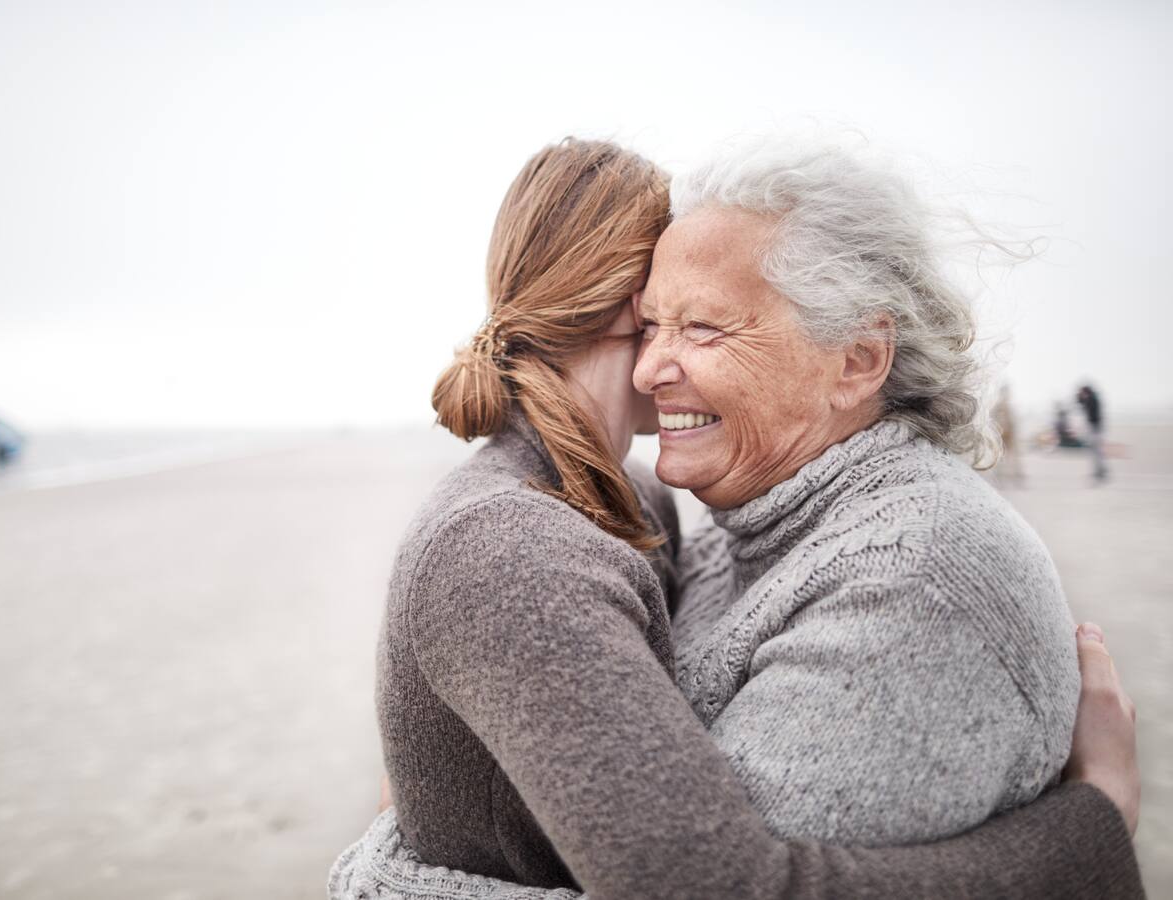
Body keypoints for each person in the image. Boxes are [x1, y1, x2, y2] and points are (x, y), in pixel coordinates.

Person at [332, 139, 1144, 900]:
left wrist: (1091, 827)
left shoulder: (914, 576)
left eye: (704, 327)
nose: (652, 368)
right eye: (649, 326)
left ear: (858, 360)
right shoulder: (730, 527)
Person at [1078, 383, 1108, 481]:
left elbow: (1087, 411)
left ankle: (1100, 471)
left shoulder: (1091, 400)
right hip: (1095, 428)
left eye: (1082, 392)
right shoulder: (1092, 399)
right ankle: (1100, 470)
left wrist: (1082, 400)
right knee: (1096, 451)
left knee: (1095, 451)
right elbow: (1081, 405)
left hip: (1094, 428)